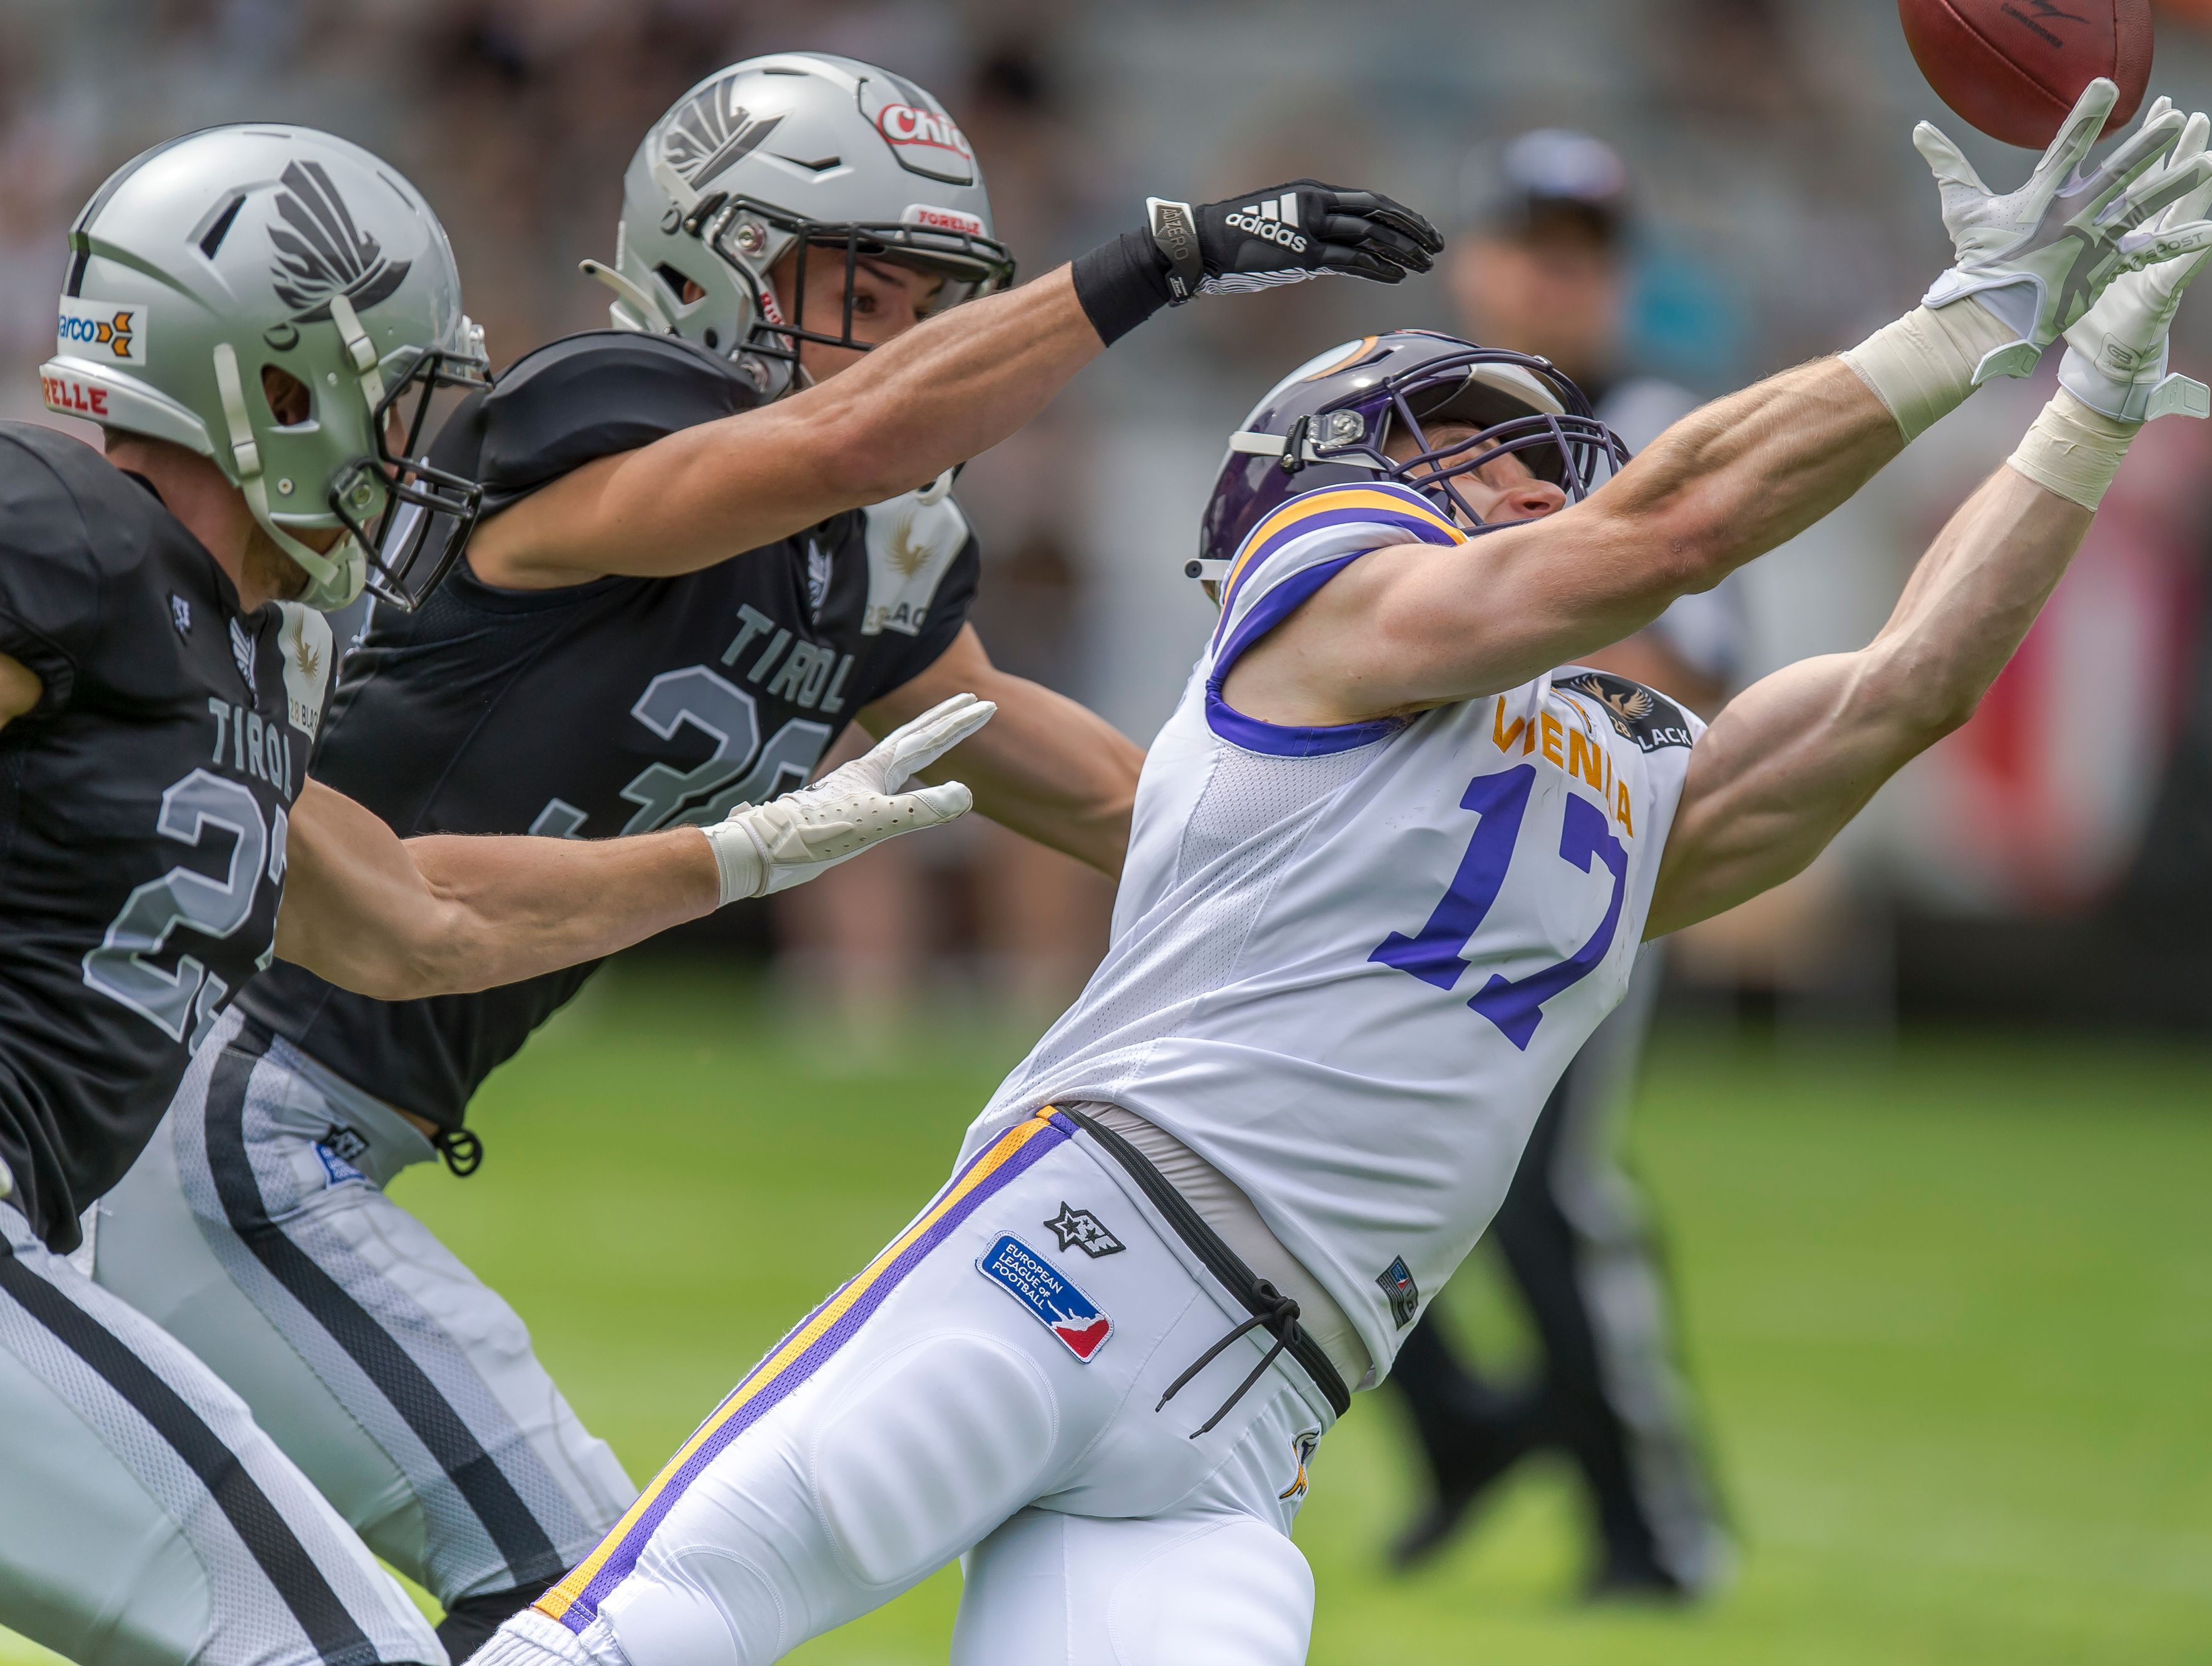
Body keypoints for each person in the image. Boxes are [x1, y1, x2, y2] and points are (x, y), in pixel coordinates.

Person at [473, 81, 2212, 1666]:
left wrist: (2087, 411)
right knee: (641, 1636)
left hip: (1264, 1403)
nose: (1529, 457)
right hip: (1077, 1248)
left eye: (1543, 435)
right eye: (1467, 426)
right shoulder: (1320, 605)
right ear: (1314, 483)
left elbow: (1911, 685)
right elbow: (1669, 529)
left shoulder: (1603, 765)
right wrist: (1961, 326)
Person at [83, 51, 1443, 1662]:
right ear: (708, 265)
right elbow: (831, 448)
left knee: (488, 1598)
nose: (904, 335)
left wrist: (1403, 871)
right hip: (224, 1087)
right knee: (588, 1590)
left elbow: (1074, 778)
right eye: (860, 285)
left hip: (307, 1114)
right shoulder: (605, 431)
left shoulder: (856, 568)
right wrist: (1161, 257)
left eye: (931, 296)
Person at [0, 123, 1001, 1666]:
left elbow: (413, 920)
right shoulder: (63, 532)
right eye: (396, 397)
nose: (411, 449)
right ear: (278, 382)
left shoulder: (228, 648)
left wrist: (743, 852)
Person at [1390, 125, 1738, 1597]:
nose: (1548, 278)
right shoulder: (1410, 420)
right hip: (1424, 850)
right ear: (1476, 257)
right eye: (1529, 244)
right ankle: (1473, 1425)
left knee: (1554, 1198)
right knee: (1374, 1157)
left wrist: (1494, 604)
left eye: (1580, 254)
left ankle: (1654, 1528)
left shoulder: (1651, 430)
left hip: (1579, 855)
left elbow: (1680, 663)